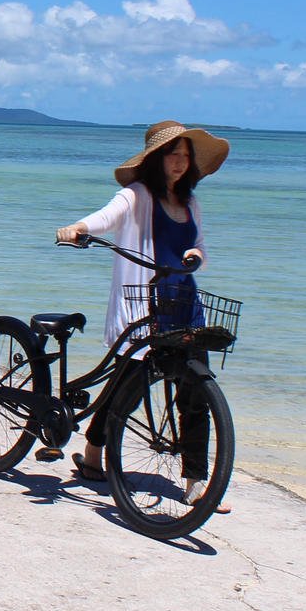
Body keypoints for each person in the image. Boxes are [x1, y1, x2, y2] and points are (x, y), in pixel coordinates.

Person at [55, 121, 230, 505]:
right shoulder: (136, 196)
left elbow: (199, 243)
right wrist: (78, 228)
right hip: (142, 307)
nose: (181, 163)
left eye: (186, 156)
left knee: (196, 393)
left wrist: (197, 255)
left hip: (185, 307)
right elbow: (106, 217)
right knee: (127, 389)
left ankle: (195, 481)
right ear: (157, 158)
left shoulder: (190, 203)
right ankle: (93, 454)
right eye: (174, 155)